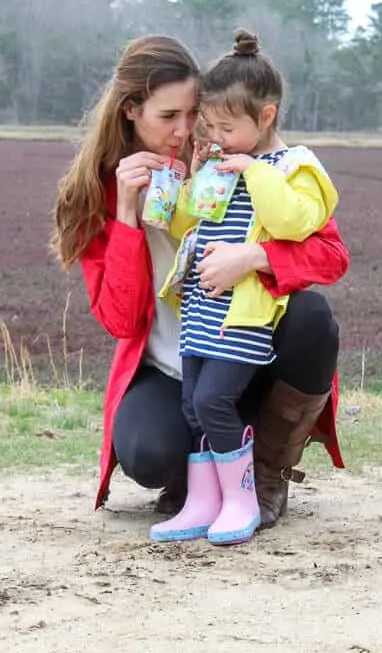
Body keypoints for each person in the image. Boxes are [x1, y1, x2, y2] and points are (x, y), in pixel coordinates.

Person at [51, 34, 349, 531]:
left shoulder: (234, 160)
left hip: (246, 350)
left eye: (195, 114)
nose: (186, 130)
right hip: (173, 364)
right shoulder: (99, 191)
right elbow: (120, 319)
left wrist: (255, 257)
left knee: (313, 319)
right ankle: (200, 480)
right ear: (130, 111)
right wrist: (127, 214)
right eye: (169, 117)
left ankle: (267, 472)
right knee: (149, 453)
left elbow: (332, 254)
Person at [149, 30, 340, 545]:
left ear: (267, 117)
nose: (218, 138)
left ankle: (242, 498)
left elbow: (292, 222)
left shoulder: (294, 168)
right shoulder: (219, 164)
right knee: (193, 405)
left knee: (213, 401)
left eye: (227, 128)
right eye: (210, 127)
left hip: (245, 316)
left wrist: (254, 172)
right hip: (201, 311)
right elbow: (187, 222)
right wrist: (189, 180)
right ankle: (203, 500)